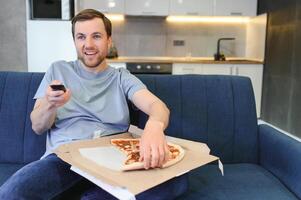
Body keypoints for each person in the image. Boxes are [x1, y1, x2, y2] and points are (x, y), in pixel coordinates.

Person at [0, 9, 187, 200]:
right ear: (75, 41)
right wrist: (50, 104)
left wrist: (154, 126)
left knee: (177, 181)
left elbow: (157, 106)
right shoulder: (58, 70)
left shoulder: (121, 78)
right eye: (81, 37)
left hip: (115, 158)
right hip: (65, 159)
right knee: (11, 193)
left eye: (96, 36)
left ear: (109, 40)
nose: (88, 44)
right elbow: (37, 126)